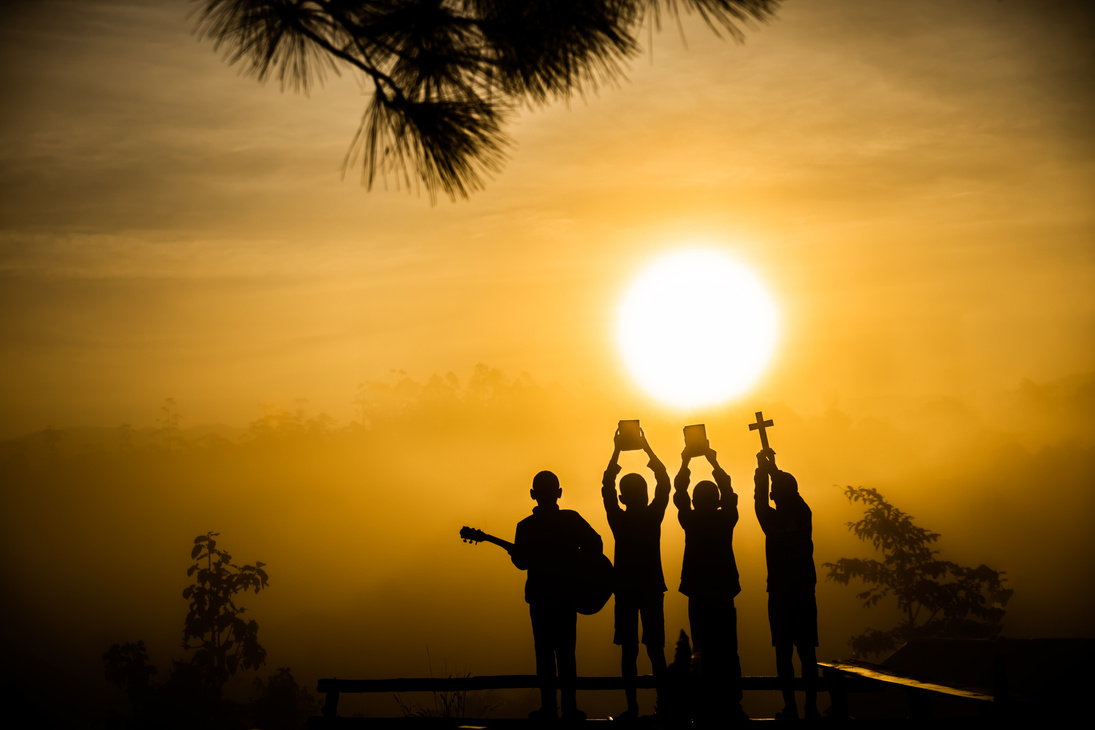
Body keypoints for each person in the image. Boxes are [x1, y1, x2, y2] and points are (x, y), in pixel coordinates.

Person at [512, 470, 603, 721]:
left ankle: (549, 709)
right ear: (559, 493)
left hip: (541, 599)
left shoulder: (525, 526)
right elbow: (597, 545)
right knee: (566, 654)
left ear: (533, 495)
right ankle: (570, 709)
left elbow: (521, 562)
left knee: (544, 656)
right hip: (565, 597)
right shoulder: (571, 520)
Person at [601, 428, 670, 719]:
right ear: (645, 494)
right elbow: (665, 483)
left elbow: (606, 487)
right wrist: (646, 448)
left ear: (622, 496)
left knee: (628, 651)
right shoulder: (653, 516)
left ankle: (632, 707)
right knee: (656, 650)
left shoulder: (618, 519)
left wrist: (617, 449)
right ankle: (664, 706)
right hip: (651, 586)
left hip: (626, 588)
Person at [674, 447, 746, 722]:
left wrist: (685, 461)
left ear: (694, 501)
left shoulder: (690, 520)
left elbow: (678, 495)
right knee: (728, 648)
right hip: (724, 591)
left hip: (698, 593)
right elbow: (728, 492)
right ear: (716, 502)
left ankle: (702, 704)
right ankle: (732, 703)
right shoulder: (725, 519)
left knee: (701, 647)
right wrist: (713, 461)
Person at [754, 449, 819, 721]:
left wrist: (762, 472)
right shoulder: (805, 516)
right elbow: (792, 494)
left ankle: (790, 706)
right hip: (804, 592)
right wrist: (773, 469)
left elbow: (759, 500)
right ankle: (811, 707)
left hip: (781, 594)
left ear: (774, 497)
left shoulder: (770, 521)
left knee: (784, 653)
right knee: (807, 653)